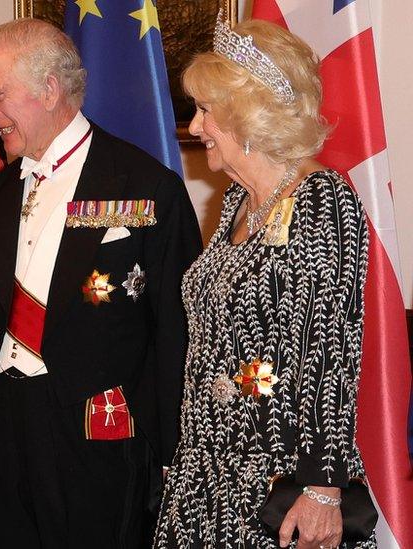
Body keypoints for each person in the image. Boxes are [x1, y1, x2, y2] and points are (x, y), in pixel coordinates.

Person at [0, 17, 203, 548]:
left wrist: (172, 458)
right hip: (2, 429)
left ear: (48, 89)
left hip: (96, 436)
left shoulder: (146, 186)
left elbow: (178, 334)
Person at [152, 17, 374, 549]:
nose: (197, 125)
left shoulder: (322, 200)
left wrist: (322, 486)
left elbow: (329, 347)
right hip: (208, 471)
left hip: (280, 481)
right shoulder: (237, 203)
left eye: (207, 110)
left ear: (246, 116)